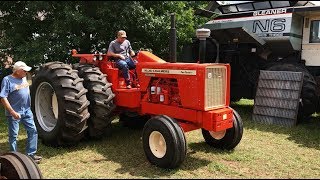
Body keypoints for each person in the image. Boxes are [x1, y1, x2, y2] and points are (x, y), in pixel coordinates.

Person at [0, 61, 42, 163]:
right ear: (18, 71)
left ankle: (31, 155)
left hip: (27, 111)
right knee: (13, 135)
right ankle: (14, 158)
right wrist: (12, 112)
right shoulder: (7, 80)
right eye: (24, 70)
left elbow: (29, 87)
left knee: (33, 131)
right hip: (14, 112)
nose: (26, 72)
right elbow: (3, 97)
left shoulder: (25, 77)